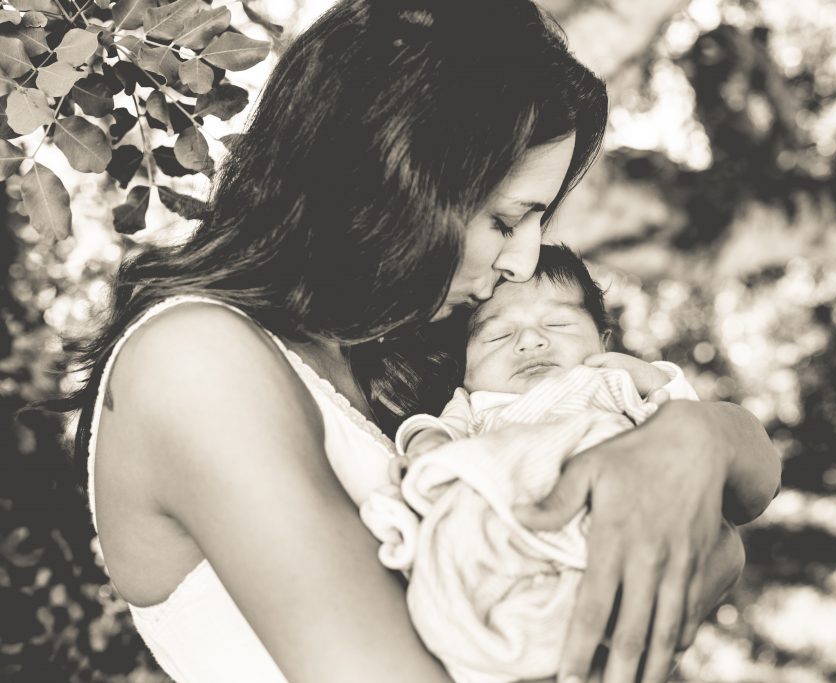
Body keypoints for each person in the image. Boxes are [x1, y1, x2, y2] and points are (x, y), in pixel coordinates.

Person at [56, 1, 780, 682]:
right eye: (506, 220)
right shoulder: (194, 363)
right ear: (392, 182)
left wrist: (694, 438)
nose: (524, 261)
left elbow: (750, 484)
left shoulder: (404, 347)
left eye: (539, 221)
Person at [360, 244, 713, 683]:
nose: (530, 341)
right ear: (465, 367)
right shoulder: (477, 405)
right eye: (497, 336)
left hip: (600, 532)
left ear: (603, 341)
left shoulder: (609, 382)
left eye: (558, 323)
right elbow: (430, 433)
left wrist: (657, 381)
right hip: (501, 535)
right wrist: (426, 443)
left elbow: (681, 437)